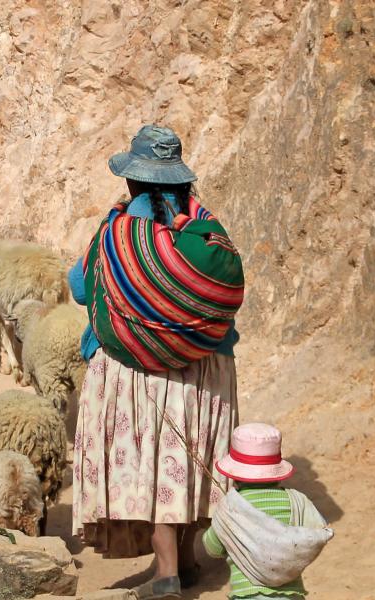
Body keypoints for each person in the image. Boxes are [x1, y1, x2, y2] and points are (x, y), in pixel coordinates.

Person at [70, 124, 243, 600]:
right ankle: (186, 560)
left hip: (137, 370)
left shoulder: (118, 231)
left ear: (133, 182)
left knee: (153, 462)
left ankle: (165, 570)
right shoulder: (205, 225)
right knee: (186, 459)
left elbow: (82, 287)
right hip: (207, 368)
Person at [202, 423, 327, 599]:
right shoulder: (297, 500)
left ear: (234, 472)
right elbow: (317, 533)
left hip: (247, 595)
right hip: (291, 595)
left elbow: (212, 548)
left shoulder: (229, 507)